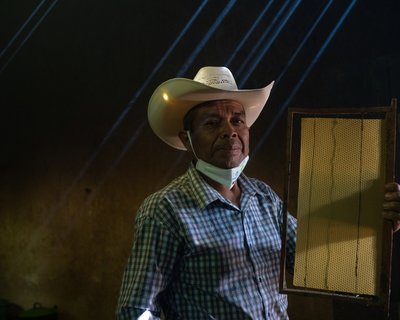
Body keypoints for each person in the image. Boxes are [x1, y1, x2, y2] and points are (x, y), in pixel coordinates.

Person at [116, 66, 400, 319]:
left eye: (237, 120)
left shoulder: (263, 196)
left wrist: (376, 224)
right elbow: (136, 309)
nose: (230, 132)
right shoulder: (164, 210)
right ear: (187, 140)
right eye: (212, 123)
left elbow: (312, 261)